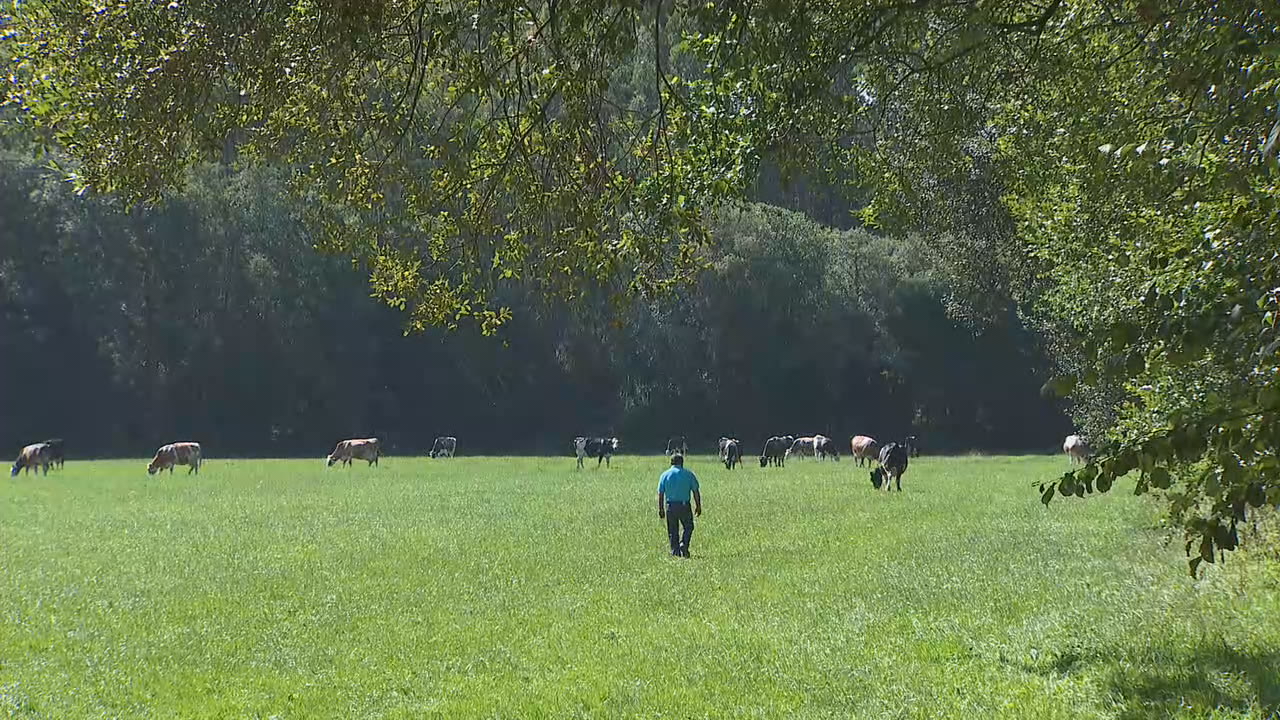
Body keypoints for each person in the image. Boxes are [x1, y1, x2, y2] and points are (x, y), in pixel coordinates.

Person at [657, 453, 702, 557]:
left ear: (671, 462)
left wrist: (661, 508)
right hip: (684, 505)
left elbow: (661, 493)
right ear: (682, 462)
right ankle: (684, 544)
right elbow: (695, 491)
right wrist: (698, 506)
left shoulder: (665, 475)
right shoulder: (689, 474)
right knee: (688, 527)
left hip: (670, 506)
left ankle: (675, 551)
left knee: (672, 530)